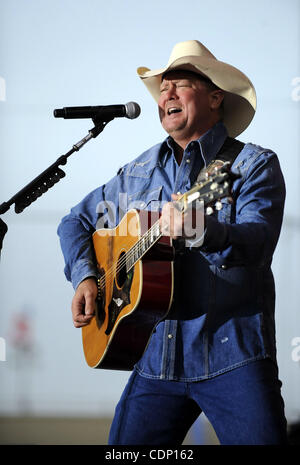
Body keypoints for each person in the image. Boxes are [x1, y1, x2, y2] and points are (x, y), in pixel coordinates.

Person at [57, 40, 288, 445]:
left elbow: (258, 242)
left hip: (232, 355)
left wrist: (201, 229)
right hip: (153, 360)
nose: (167, 95)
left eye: (179, 84)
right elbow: (73, 221)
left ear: (216, 97)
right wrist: (86, 278)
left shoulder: (252, 165)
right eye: (163, 88)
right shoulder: (138, 172)